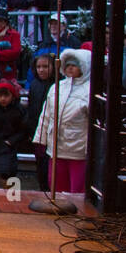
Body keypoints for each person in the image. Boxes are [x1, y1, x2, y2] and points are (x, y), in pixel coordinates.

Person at [33, 48, 91, 194]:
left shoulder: (89, 89)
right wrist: (40, 139)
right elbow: (45, 115)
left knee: (77, 189)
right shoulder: (56, 87)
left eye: (74, 65)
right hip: (56, 148)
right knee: (56, 186)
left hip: (78, 149)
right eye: (67, 65)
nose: (70, 68)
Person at [26, 53, 57, 191]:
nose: (42, 70)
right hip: (37, 131)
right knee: (40, 165)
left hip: (52, 132)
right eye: (38, 67)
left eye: (45, 66)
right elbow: (32, 109)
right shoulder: (34, 84)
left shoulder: (57, 85)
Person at [0, 80, 26, 183]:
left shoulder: (18, 110)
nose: (3, 99)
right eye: (0, 95)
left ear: (12, 96)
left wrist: (11, 141)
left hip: (9, 144)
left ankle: (8, 196)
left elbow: (23, 130)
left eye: (6, 96)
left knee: (8, 171)